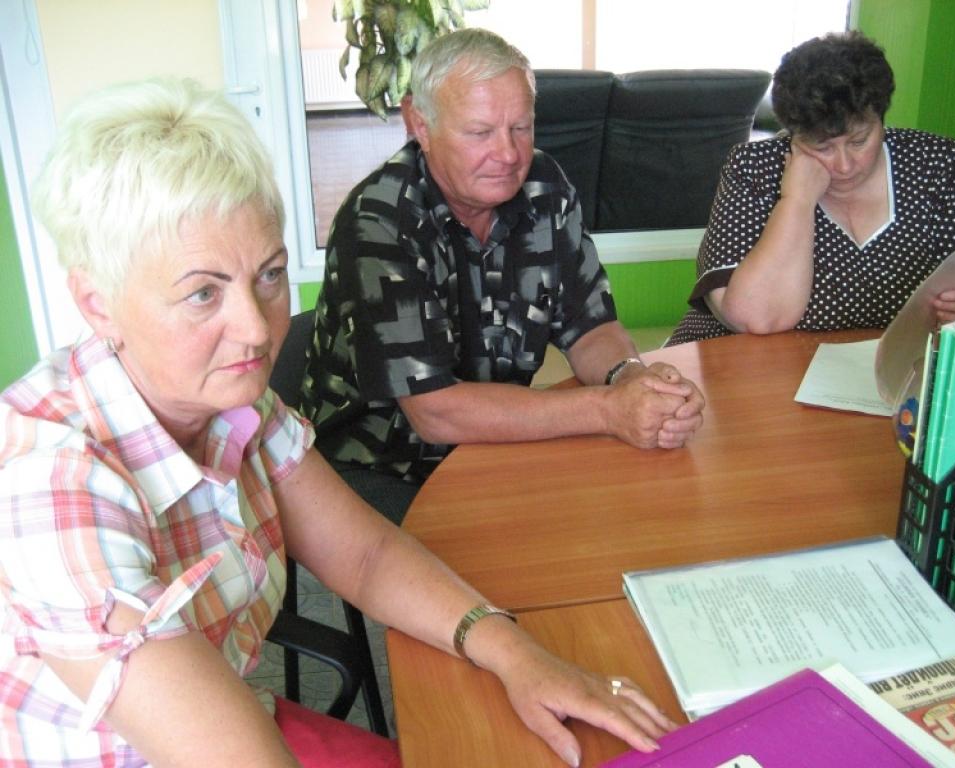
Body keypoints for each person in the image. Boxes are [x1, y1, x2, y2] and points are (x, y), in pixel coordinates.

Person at [0, 77, 676, 768]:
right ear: (98, 303)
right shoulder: (48, 485)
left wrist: (513, 652)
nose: (255, 331)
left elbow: (366, 556)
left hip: (234, 711)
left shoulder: (238, 403)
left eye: (268, 275)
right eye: (203, 293)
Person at [301, 28, 705, 523]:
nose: (510, 154)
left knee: (639, 507)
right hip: (382, 464)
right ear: (419, 125)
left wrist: (634, 379)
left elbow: (591, 326)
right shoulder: (379, 222)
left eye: (521, 127)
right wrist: (606, 409)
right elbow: (435, 411)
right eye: (480, 132)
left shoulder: (545, 187)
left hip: (499, 435)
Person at [668, 31, 955, 346]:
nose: (842, 165)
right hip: (745, 368)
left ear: (881, 119)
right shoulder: (755, 168)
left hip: (883, 375)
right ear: (793, 134)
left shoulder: (933, 163)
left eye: (859, 141)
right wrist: (797, 201)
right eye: (821, 147)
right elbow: (757, 319)